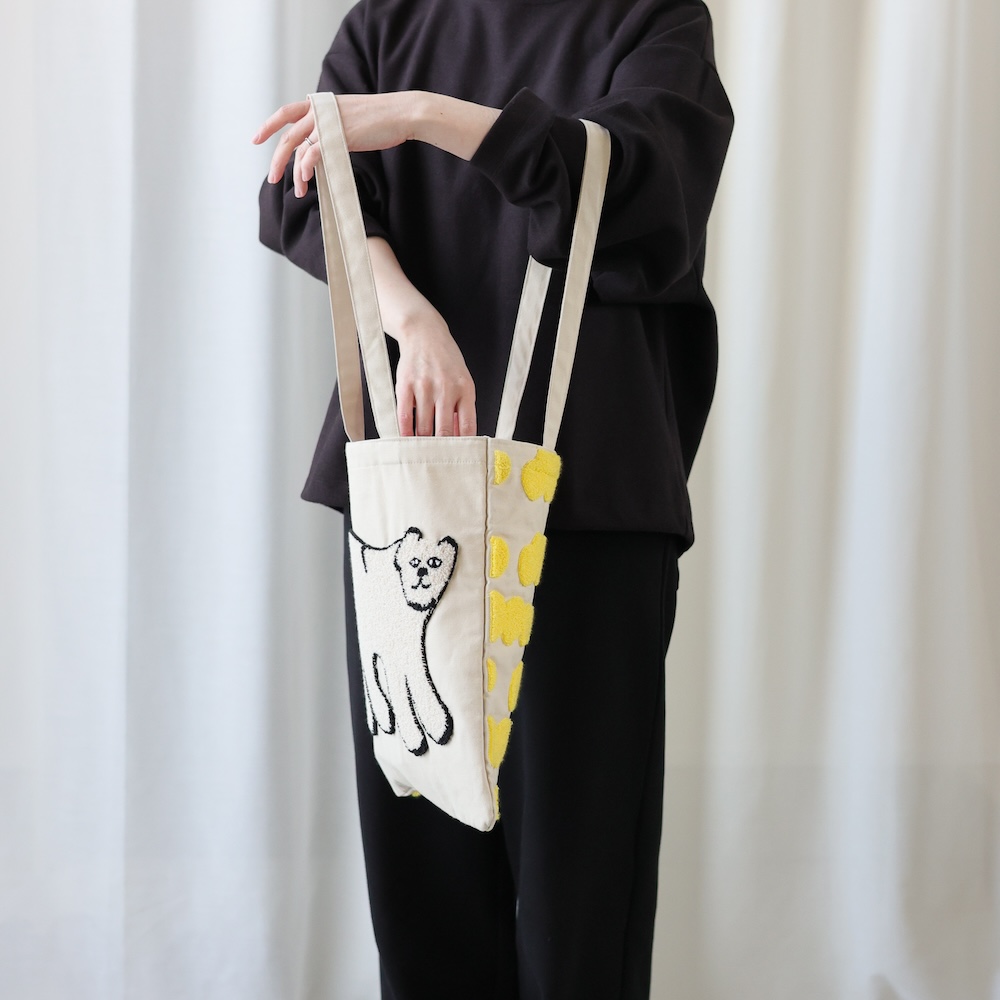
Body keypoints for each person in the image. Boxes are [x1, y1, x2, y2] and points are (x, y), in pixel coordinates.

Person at [254, 0, 733, 995]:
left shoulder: (651, 20)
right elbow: (306, 188)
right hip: (410, 490)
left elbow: (638, 191)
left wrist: (422, 114)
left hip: (583, 501)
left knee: (578, 903)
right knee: (422, 895)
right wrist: (410, 320)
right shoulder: (389, 19)